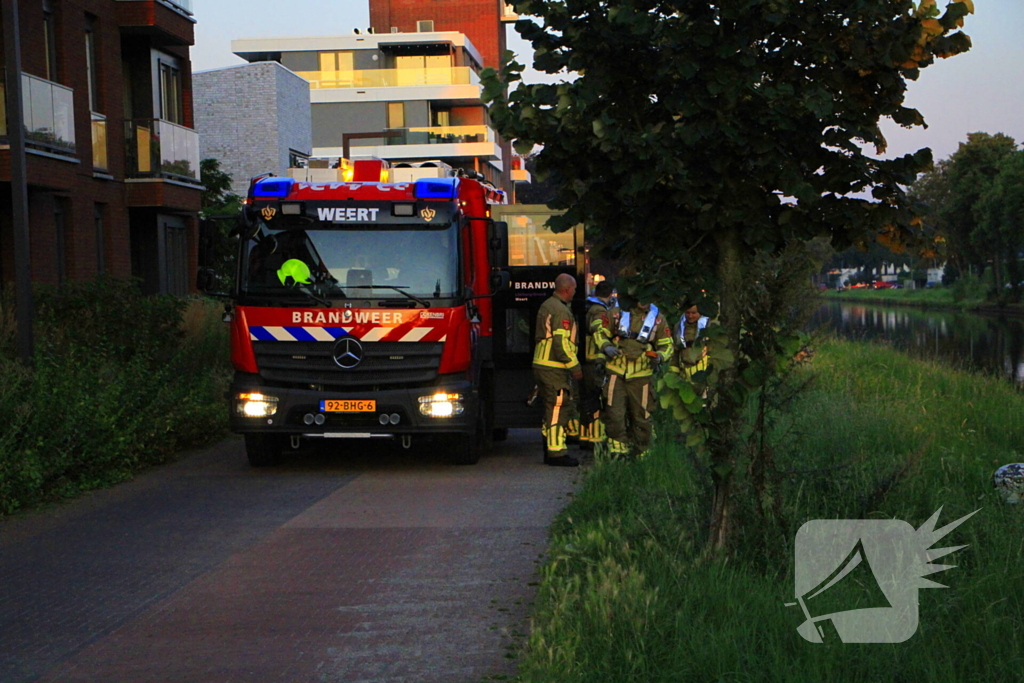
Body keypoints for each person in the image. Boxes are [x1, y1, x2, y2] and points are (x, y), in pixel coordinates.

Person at [603, 296, 672, 458]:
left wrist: (660, 357)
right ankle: (617, 453)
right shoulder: (616, 314)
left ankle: (643, 454)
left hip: (642, 375)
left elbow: (667, 344)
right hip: (616, 371)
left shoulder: (658, 320)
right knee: (614, 414)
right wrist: (605, 346)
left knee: (642, 416)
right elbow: (601, 333)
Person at [532, 273, 583, 467]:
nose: (575, 292)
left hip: (543, 365)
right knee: (557, 408)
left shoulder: (548, 305)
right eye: (575, 289)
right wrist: (574, 366)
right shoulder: (560, 311)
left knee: (549, 408)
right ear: (568, 289)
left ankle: (550, 448)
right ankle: (556, 454)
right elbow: (561, 343)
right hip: (554, 367)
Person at [579, 280, 616, 449]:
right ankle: (593, 438)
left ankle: (585, 435)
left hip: (585, 359)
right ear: (610, 294)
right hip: (594, 359)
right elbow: (598, 331)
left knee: (586, 397)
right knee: (594, 398)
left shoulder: (587, 306)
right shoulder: (600, 310)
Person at [670, 300, 711, 377]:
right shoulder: (679, 327)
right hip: (684, 369)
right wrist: (674, 371)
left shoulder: (709, 326)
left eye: (693, 313)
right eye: (687, 313)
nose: (690, 316)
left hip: (703, 370)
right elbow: (675, 351)